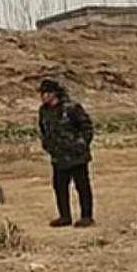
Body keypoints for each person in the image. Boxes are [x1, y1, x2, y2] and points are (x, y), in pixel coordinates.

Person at [37, 78, 95, 228]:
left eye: (46, 93)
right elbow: (43, 130)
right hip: (58, 156)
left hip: (76, 156)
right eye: (42, 93)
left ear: (54, 93)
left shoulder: (71, 108)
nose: (43, 96)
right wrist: (47, 145)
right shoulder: (44, 111)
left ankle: (86, 216)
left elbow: (87, 127)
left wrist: (81, 144)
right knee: (60, 187)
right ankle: (65, 216)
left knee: (82, 186)